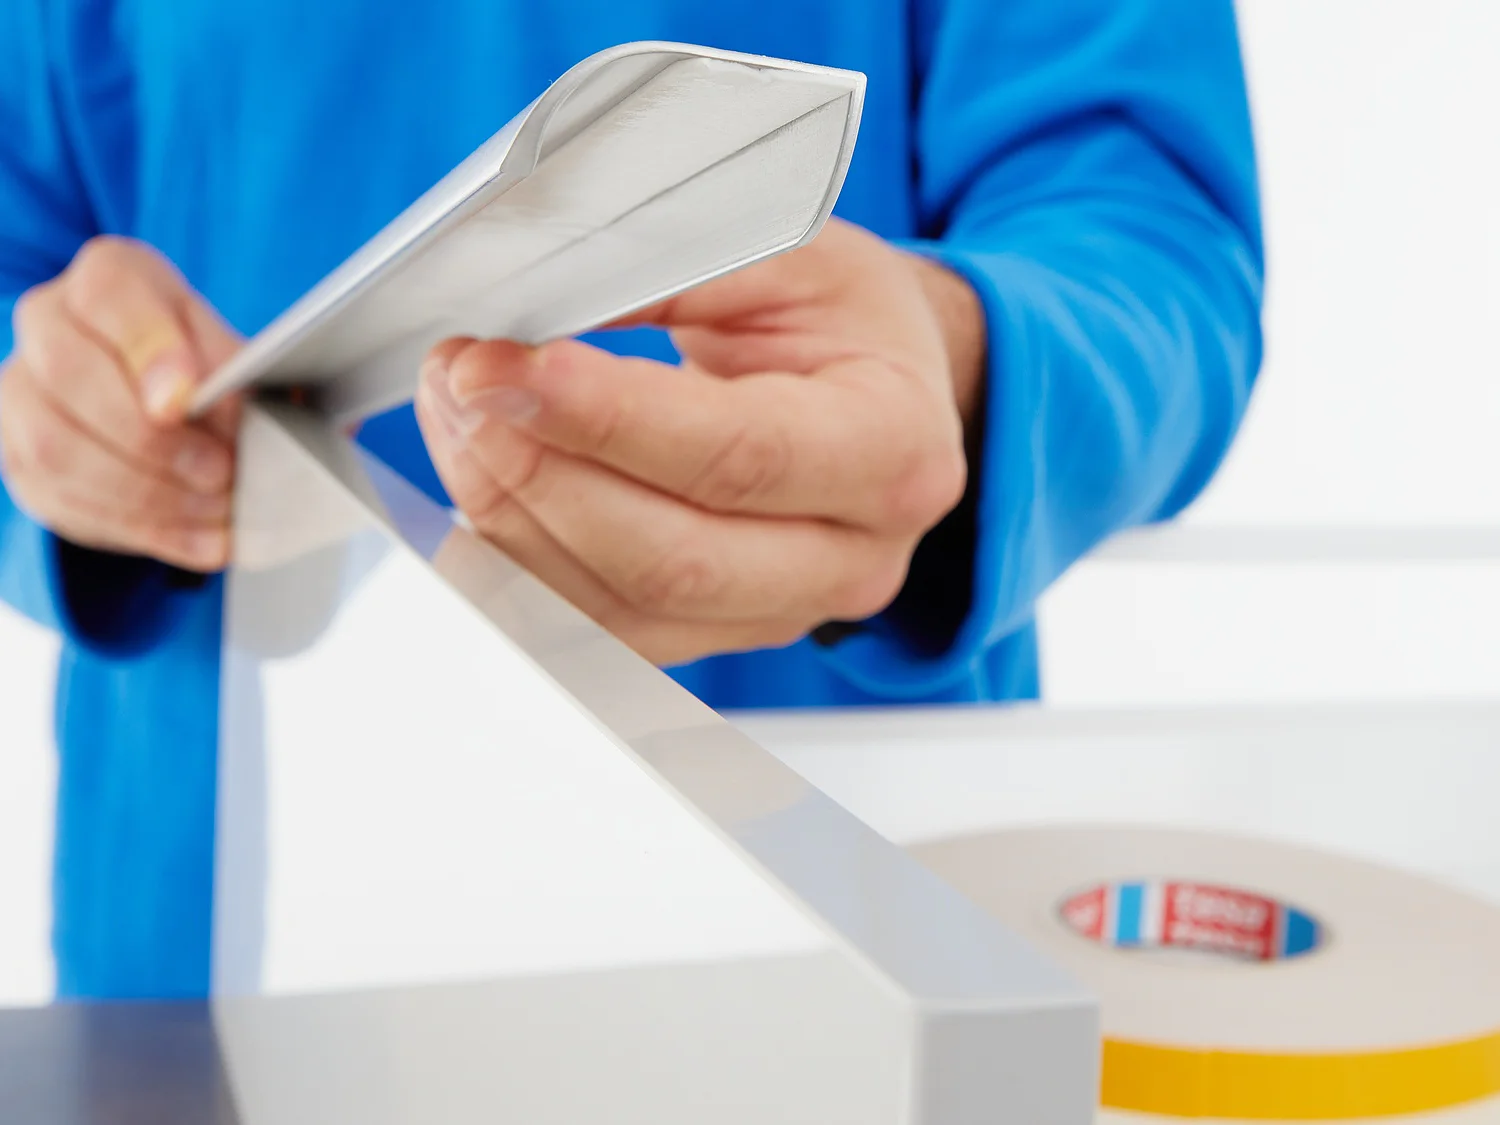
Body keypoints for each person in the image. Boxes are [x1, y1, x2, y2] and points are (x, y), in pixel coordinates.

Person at [0, 1, 1262, 999]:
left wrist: (964, 365)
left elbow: (1152, 243)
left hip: (823, 893)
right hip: (211, 903)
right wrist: (62, 421)